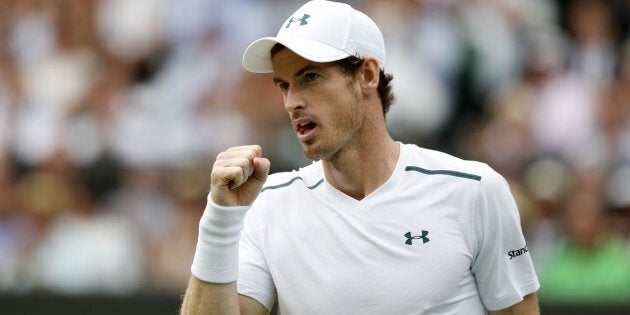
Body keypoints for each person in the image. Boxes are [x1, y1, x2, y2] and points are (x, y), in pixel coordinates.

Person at [181, 1, 540, 314]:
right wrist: (220, 221)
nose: (292, 102)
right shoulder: (265, 206)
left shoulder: (475, 191)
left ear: (367, 75)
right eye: (284, 85)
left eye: (310, 77)